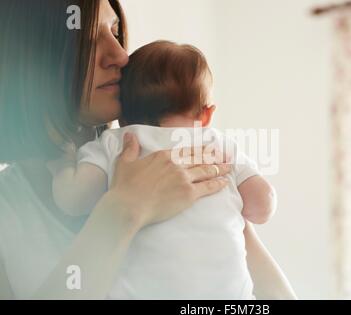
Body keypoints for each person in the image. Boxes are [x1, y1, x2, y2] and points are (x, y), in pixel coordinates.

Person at [0, 0, 296, 299]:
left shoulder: (180, 161)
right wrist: (123, 210)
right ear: (30, 58)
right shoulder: (8, 210)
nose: (119, 55)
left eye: (115, 32)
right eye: (86, 39)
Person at [52, 40, 278, 299]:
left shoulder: (116, 142)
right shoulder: (218, 145)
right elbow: (262, 206)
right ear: (206, 115)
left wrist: (63, 161)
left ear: (121, 113)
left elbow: (73, 200)